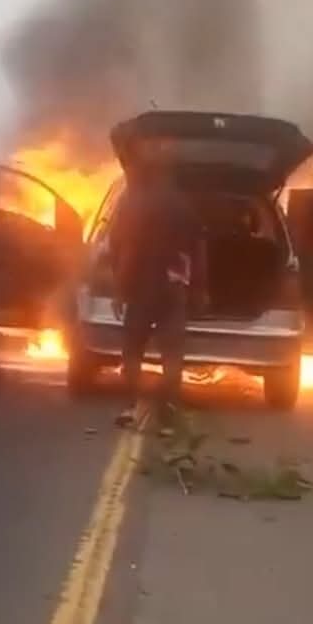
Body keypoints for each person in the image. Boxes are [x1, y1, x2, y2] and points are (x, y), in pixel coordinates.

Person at [109, 160, 199, 425]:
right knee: (172, 351)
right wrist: (199, 287)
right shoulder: (183, 205)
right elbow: (198, 245)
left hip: (141, 287)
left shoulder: (134, 204)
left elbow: (126, 249)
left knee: (132, 349)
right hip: (172, 288)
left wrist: (119, 289)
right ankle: (169, 410)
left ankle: (131, 406)